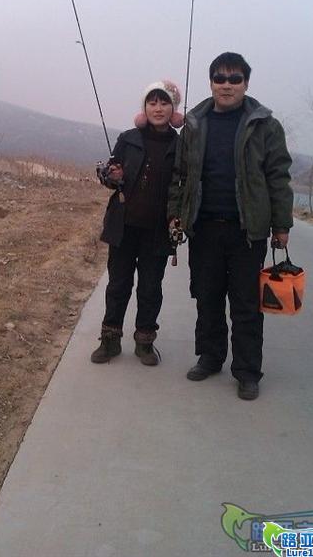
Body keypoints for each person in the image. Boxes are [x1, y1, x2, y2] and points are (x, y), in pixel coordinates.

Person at [167, 52, 293, 399]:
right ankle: (210, 357)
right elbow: (179, 175)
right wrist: (176, 213)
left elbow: (278, 177)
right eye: (220, 78)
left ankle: (247, 371)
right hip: (204, 228)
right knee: (206, 297)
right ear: (211, 83)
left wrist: (282, 225)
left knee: (246, 304)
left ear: (246, 83)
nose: (227, 85)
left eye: (235, 79)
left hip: (246, 232)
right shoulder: (194, 125)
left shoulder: (265, 125)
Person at [91, 80, 183, 366]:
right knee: (118, 285)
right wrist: (111, 176)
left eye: (164, 102)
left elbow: (183, 186)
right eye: (152, 102)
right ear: (144, 107)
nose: (158, 108)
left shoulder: (181, 146)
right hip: (124, 227)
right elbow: (107, 174)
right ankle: (109, 340)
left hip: (158, 230)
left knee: (150, 289)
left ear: (173, 109)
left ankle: (145, 342)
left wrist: (178, 218)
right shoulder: (128, 138)